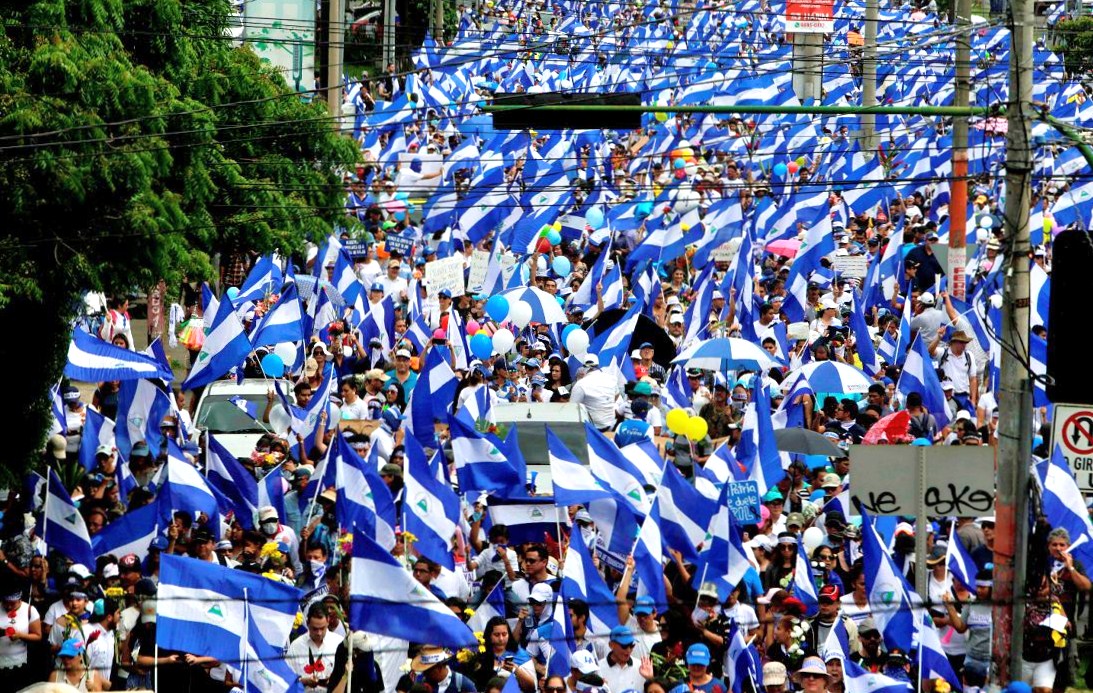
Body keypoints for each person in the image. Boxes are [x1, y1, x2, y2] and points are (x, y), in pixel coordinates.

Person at [288, 603, 343, 692]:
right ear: (307, 623)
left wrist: (333, 680)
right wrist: (304, 681)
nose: (319, 633)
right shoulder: (296, 646)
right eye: (315, 629)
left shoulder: (339, 643)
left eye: (322, 628)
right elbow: (287, 679)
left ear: (328, 621)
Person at [0, 585, 42, 690]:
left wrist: (20, 635)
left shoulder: (29, 610)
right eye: (5, 603)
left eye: (12, 603)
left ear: (19, 599)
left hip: (19, 664)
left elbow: (38, 636)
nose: (9, 606)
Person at [597, 625, 651, 693]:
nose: (628, 650)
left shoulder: (642, 667)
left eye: (631, 645)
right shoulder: (598, 669)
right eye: (624, 646)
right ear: (611, 645)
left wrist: (650, 679)